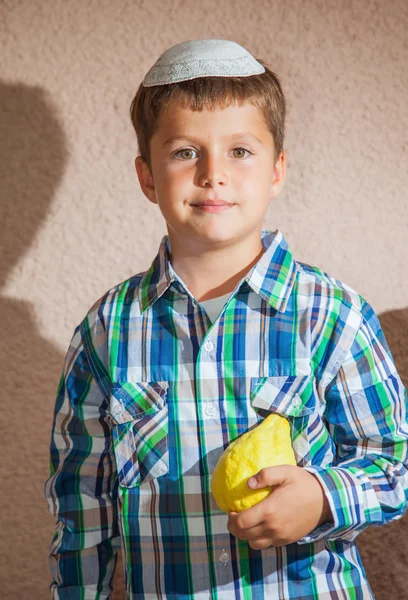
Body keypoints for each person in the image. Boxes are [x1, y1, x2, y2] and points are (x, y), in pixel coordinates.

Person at [44, 38, 408, 599]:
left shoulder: (333, 316)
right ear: (147, 176)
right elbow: (81, 512)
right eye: (185, 152)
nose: (214, 174)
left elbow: (394, 464)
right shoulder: (107, 330)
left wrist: (321, 496)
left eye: (240, 151)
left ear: (277, 170)